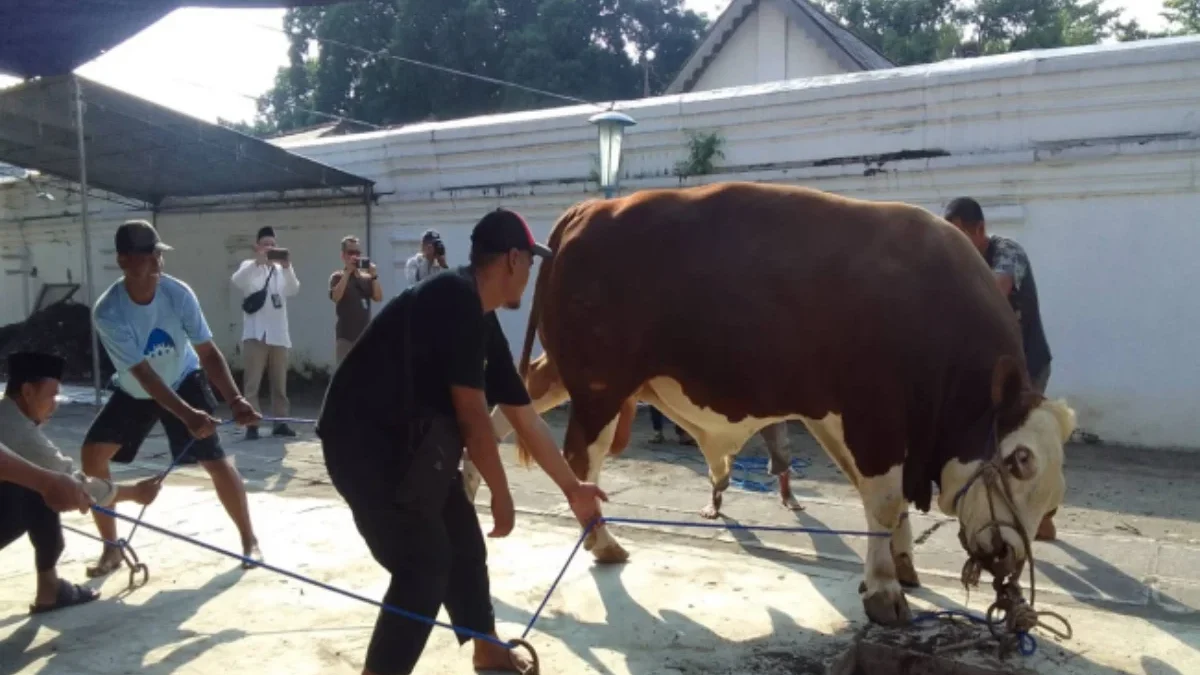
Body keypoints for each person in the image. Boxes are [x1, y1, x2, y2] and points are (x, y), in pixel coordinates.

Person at [316, 208, 608, 675]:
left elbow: (523, 415)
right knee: (423, 567)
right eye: (530, 263)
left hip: (413, 448)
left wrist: (573, 488)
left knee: (464, 544)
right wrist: (502, 494)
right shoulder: (454, 301)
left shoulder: (478, 315)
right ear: (512, 259)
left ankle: (487, 649)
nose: (530, 276)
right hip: (365, 446)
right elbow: (474, 420)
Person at [81, 219, 265, 577]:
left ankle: (249, 540)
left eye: (158, 254)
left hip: (183, 379)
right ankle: (111, 549)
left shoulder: (177, 293)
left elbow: (208, 352)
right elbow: (144, 375)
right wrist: (187, 415)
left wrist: (236, 399)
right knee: (92, 456)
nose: (156, 261)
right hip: (137, 389)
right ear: (123, 260)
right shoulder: (109, 311)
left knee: (214, 459)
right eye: (147, 255)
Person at [0, 351, 162, 613]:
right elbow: (75, 485)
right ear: (28, 392)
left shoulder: (7, 415)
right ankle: (50, 587)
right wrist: (135, 493)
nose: (56, 404)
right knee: (45, 489)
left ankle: (50, 587)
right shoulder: (17, 431)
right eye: (52, 395)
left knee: (41, 483)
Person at [944, 197, 1057, 541]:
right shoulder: (964, 263)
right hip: (996, 371)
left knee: (1029, 443)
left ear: (980, 229)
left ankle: (1045, 514)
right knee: (993, 442)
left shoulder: (1007, 251)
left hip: (1028, 365)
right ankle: (1001, 512)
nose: (957, 243)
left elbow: (997, 290)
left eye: (961, 235)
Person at [231, 225, 301, 439]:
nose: (270, 248)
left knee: (279, 383)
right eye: (265, 244)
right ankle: (252, 424)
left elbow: (293, 289)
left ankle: (281, 422)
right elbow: (237, 281)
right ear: (257, 246)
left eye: (273, 244)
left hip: (278, 334)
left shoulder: (281, 270)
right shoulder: (249, 266)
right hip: (255, 333)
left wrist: (287, 267)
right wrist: (257, 262)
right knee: (252, 383)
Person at [330, 235, 383, 364]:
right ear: (343, 256)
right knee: (345, 374)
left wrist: (374, 275)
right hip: (345, 338)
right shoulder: (338, 277)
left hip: (364, 337)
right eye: (351, 252)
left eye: (358, 253)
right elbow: (336, 297)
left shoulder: (366, 278)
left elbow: (378, 297)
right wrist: (347, 272)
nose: (355, 256)